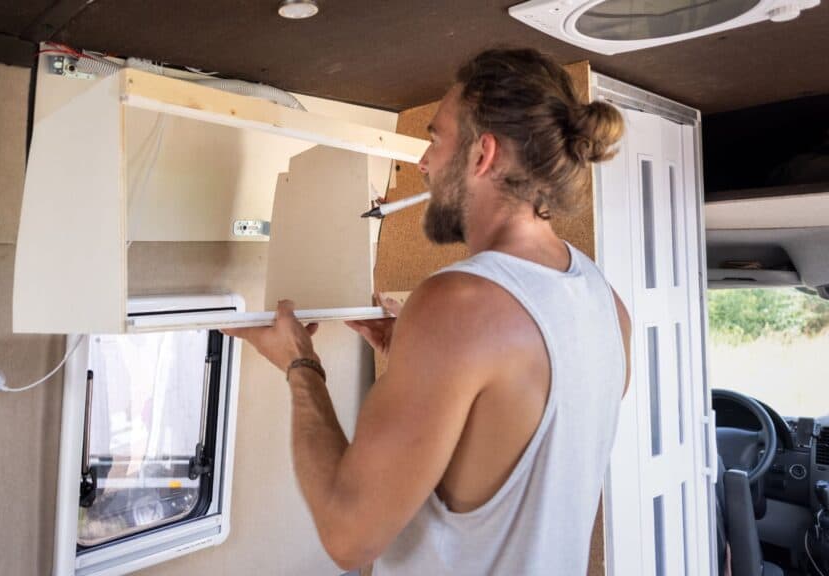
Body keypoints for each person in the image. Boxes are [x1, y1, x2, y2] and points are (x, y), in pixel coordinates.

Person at [224, 47, 632, 575]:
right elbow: (513, 454)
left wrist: (301, 366)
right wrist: (417, 354)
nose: (423, 163)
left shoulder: (460, 303)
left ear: (482, 154)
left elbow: (348, 538)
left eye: (435, 139)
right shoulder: (605, 301)